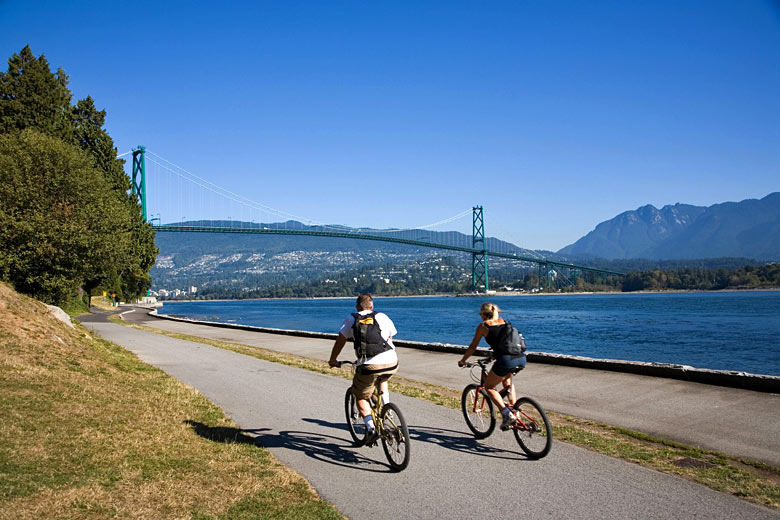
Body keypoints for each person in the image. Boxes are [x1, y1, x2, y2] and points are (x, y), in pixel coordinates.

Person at [329, 293, 399, 443]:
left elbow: (340, 341)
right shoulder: (382, 316)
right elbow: (390, 338)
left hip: (369, 365)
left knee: (360, 395)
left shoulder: (351, 318)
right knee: (383, 377)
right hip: (392, 361)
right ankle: (386, 409)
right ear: (372, 306)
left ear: (357, 307)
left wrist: (333, 359)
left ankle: (371, 428)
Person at [458, 302, 526, 430]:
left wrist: (463, 361)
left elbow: (473, 347)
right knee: (507, 381)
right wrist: (494, 355)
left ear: (483, 315)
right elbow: (505, 343)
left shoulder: (483, 326)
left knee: (489, 386)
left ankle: (506, 414)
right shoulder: (505, 322)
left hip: (506, 360)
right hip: (521, 358)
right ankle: (515, 410)